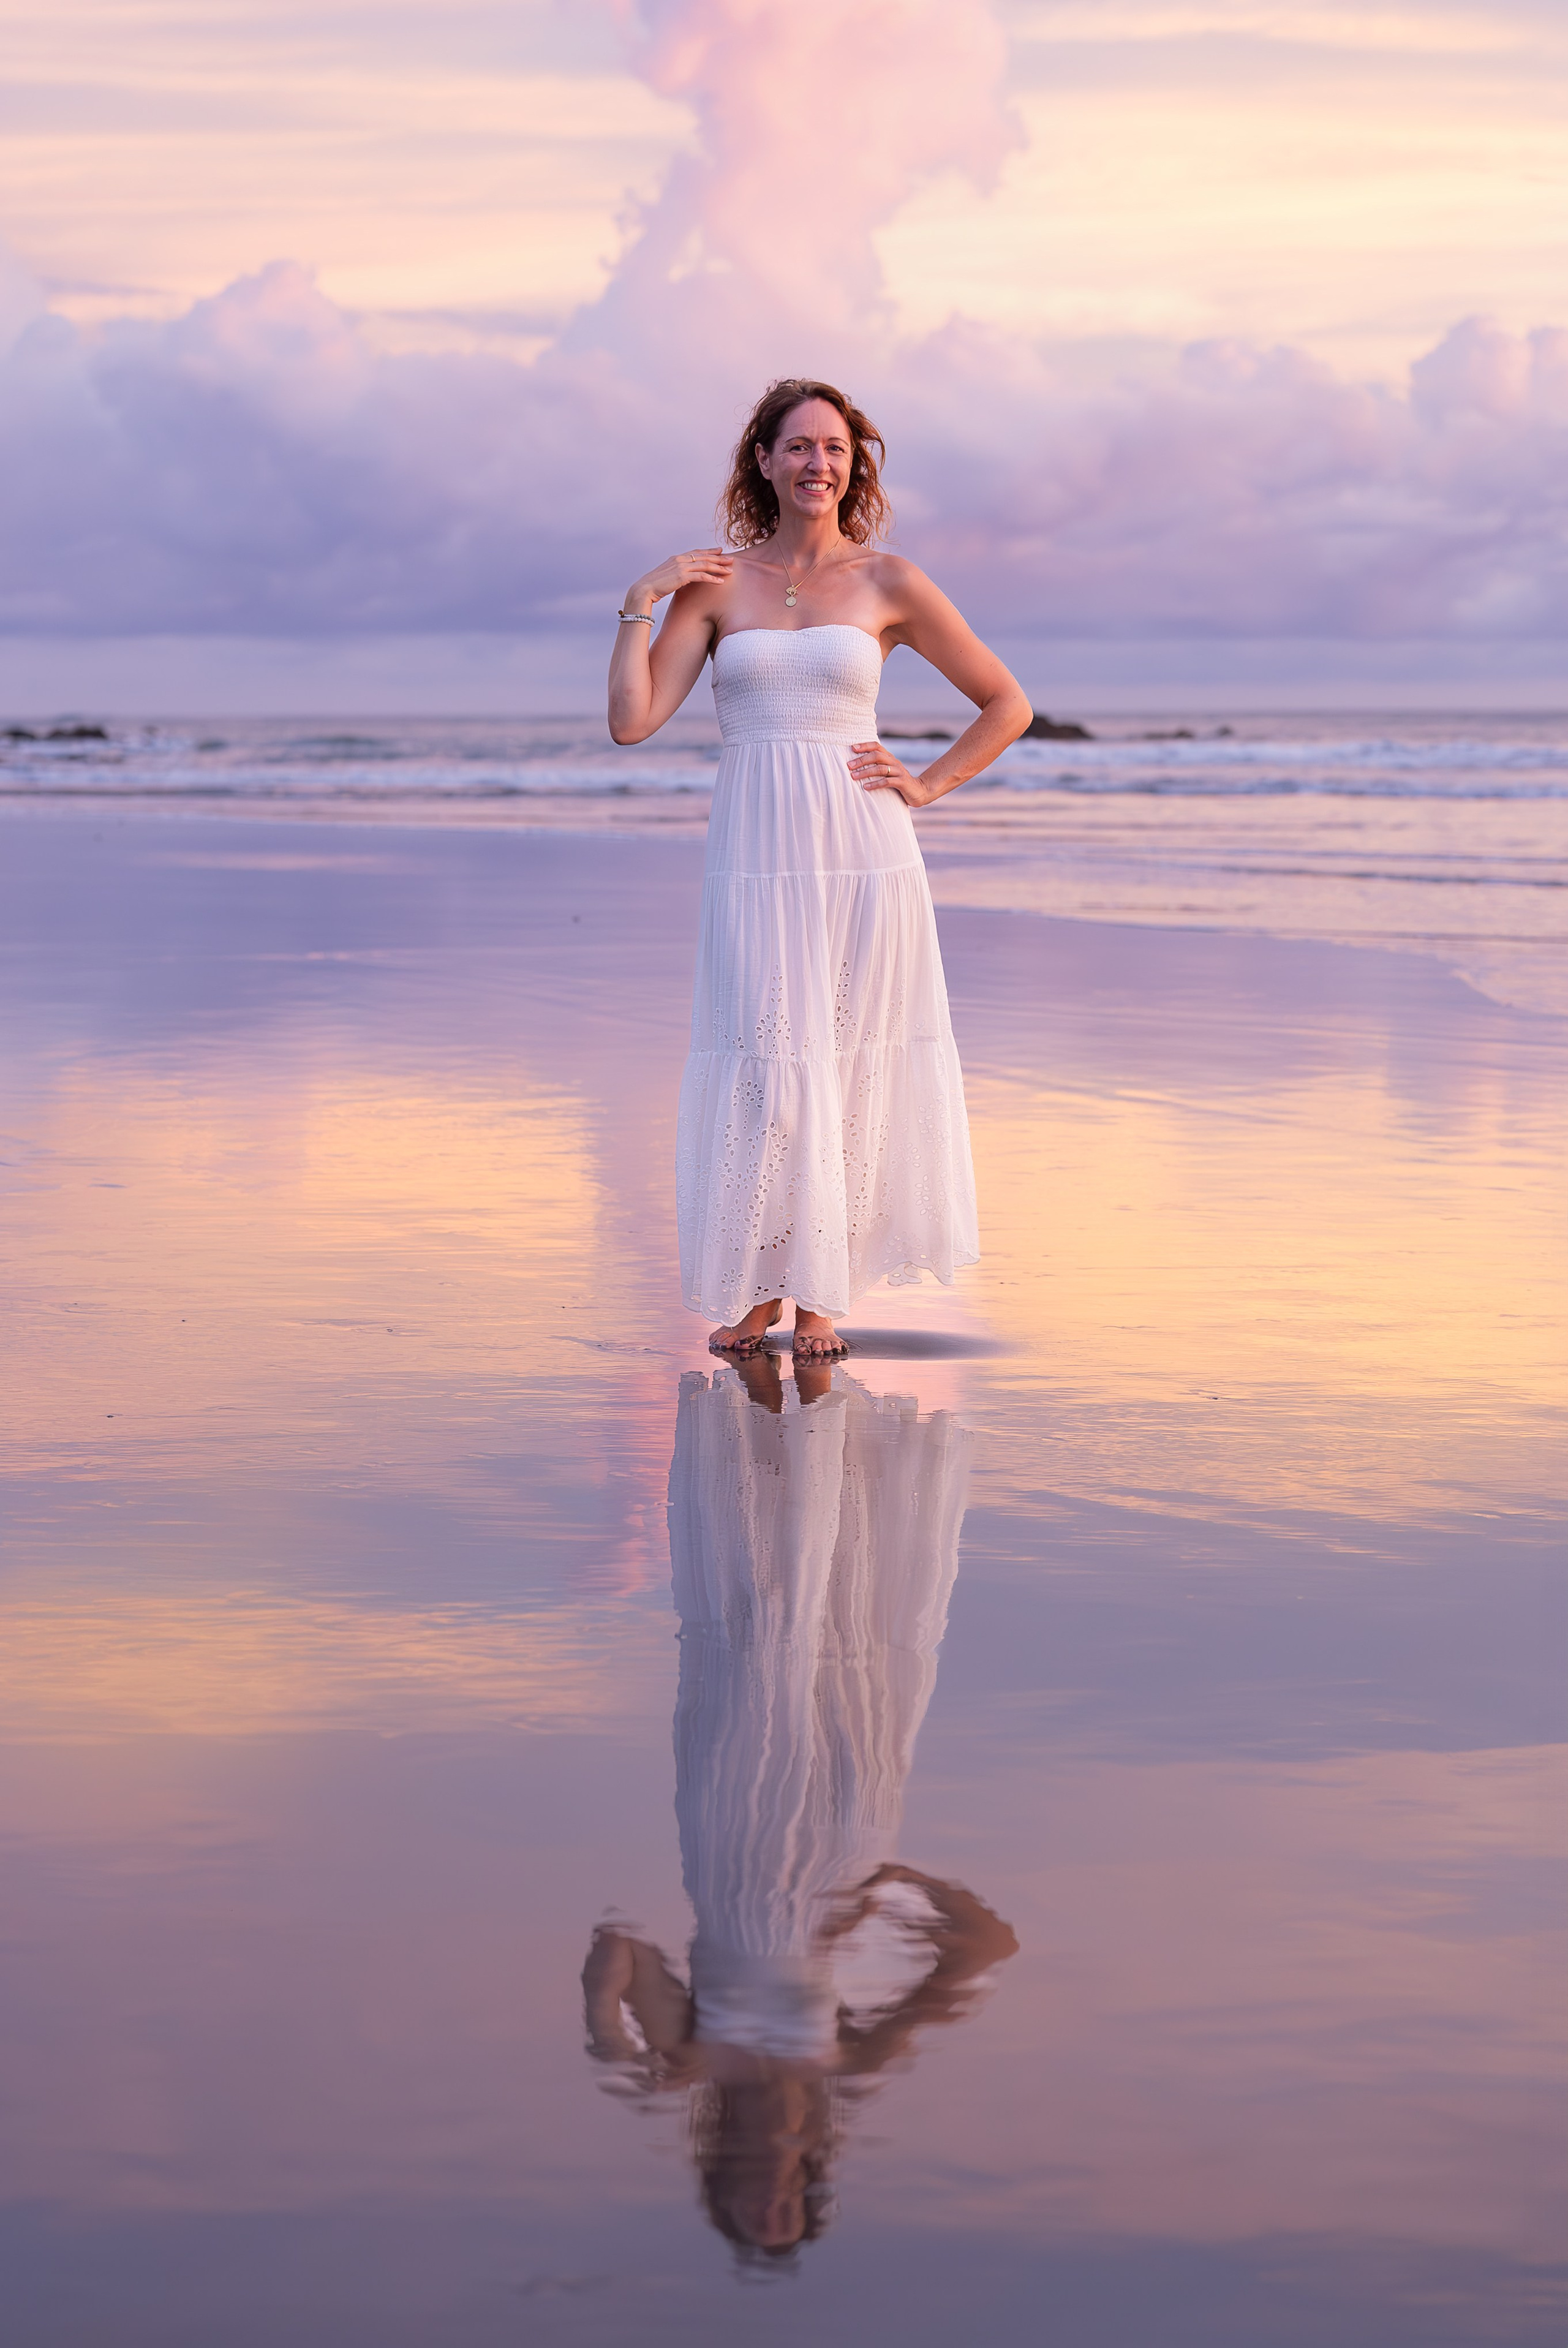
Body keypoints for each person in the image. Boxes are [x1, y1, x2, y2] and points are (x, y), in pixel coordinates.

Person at [609, 378, 1031, 1359]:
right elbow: (632, 722)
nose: (818, 464)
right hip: (756, 856)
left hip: (863, 854)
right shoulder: (715, 585)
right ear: (763, 461)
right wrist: (639, 601)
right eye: (798, 446)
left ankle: (822, 1297)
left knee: (843, 1060)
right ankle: (765, 1291)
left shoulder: (890, 581)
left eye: (836, 448)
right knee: (766, 1063)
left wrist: (927, 784)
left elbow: (1006, 703)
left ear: (855, 465)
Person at [582, 1355, 1019, 2259]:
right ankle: (820, 1408)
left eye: (750, 2196)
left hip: (728, 1838)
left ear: (721, 2175)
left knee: (756, 1648)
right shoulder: (845, 2064)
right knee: (843, 1641)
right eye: (785, 2196)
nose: (768, 2179)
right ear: (810, 2173)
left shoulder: (690, 2059)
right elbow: (988, 1944)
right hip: (845, 1842)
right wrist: (890, 1879)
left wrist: (611, 2046)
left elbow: (615, 1945)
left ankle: (768, 1406)